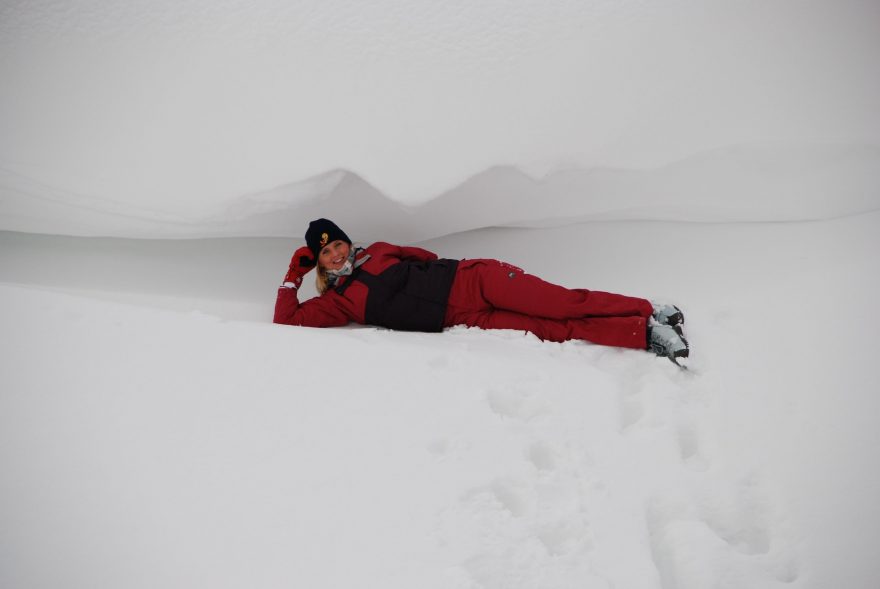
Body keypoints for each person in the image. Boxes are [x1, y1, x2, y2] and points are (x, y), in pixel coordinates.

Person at [274, 218, 689, 365]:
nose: (334, 254)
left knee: (563, 302)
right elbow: (286, 320)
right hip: (465, 319)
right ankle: (644, 334)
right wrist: (294, 273)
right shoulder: (336, 304)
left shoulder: (380, 251)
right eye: (325, 252)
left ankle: (648, 308)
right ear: (319, 261)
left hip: (475, 280)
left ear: (348, 242)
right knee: (555, 330)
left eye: (337, 244)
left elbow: (426, 256)